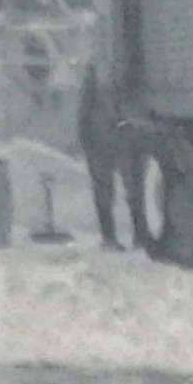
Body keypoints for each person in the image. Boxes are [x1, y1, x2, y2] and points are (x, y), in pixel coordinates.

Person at [77, 63, 121, 247]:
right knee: (104, 191)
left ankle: (109, 236)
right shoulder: (93, 102)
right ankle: (108, 237)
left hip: (104, 146)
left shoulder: (98, 101)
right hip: (99, 147)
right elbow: (85, 125)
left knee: (107, 191)